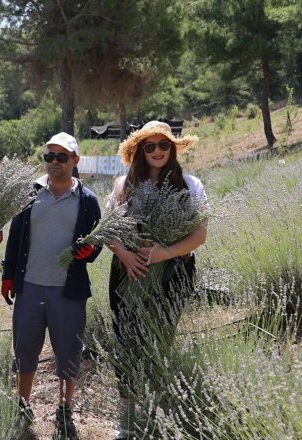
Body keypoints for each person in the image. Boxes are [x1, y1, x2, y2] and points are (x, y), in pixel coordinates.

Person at [107, 120, 206, 440]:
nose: (157, 151)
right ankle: (127, 418)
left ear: (173, 148)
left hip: (171, 272)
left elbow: (200, 234)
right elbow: (108, 229)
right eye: (149, 146)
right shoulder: (124, 184)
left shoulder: (190, 184)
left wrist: (165, 253)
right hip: (128, 272)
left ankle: (156, 414)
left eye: (163, 145)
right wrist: (125, 255)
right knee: (126, 341)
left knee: (160, 340)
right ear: (139, 151)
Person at [1, 132, 102, 439]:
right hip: (30, 286)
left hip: (68, 289)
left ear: (75, 160)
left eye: (61, 157)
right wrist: (8, 276)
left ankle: (64, 408)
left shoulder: (87, 200)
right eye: (49, 157)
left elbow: (96, 242)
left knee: (68, 350)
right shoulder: (29, 193)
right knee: (25, 348)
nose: (54, 163)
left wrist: (89, 252)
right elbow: (16, 236)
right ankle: (21, 403)